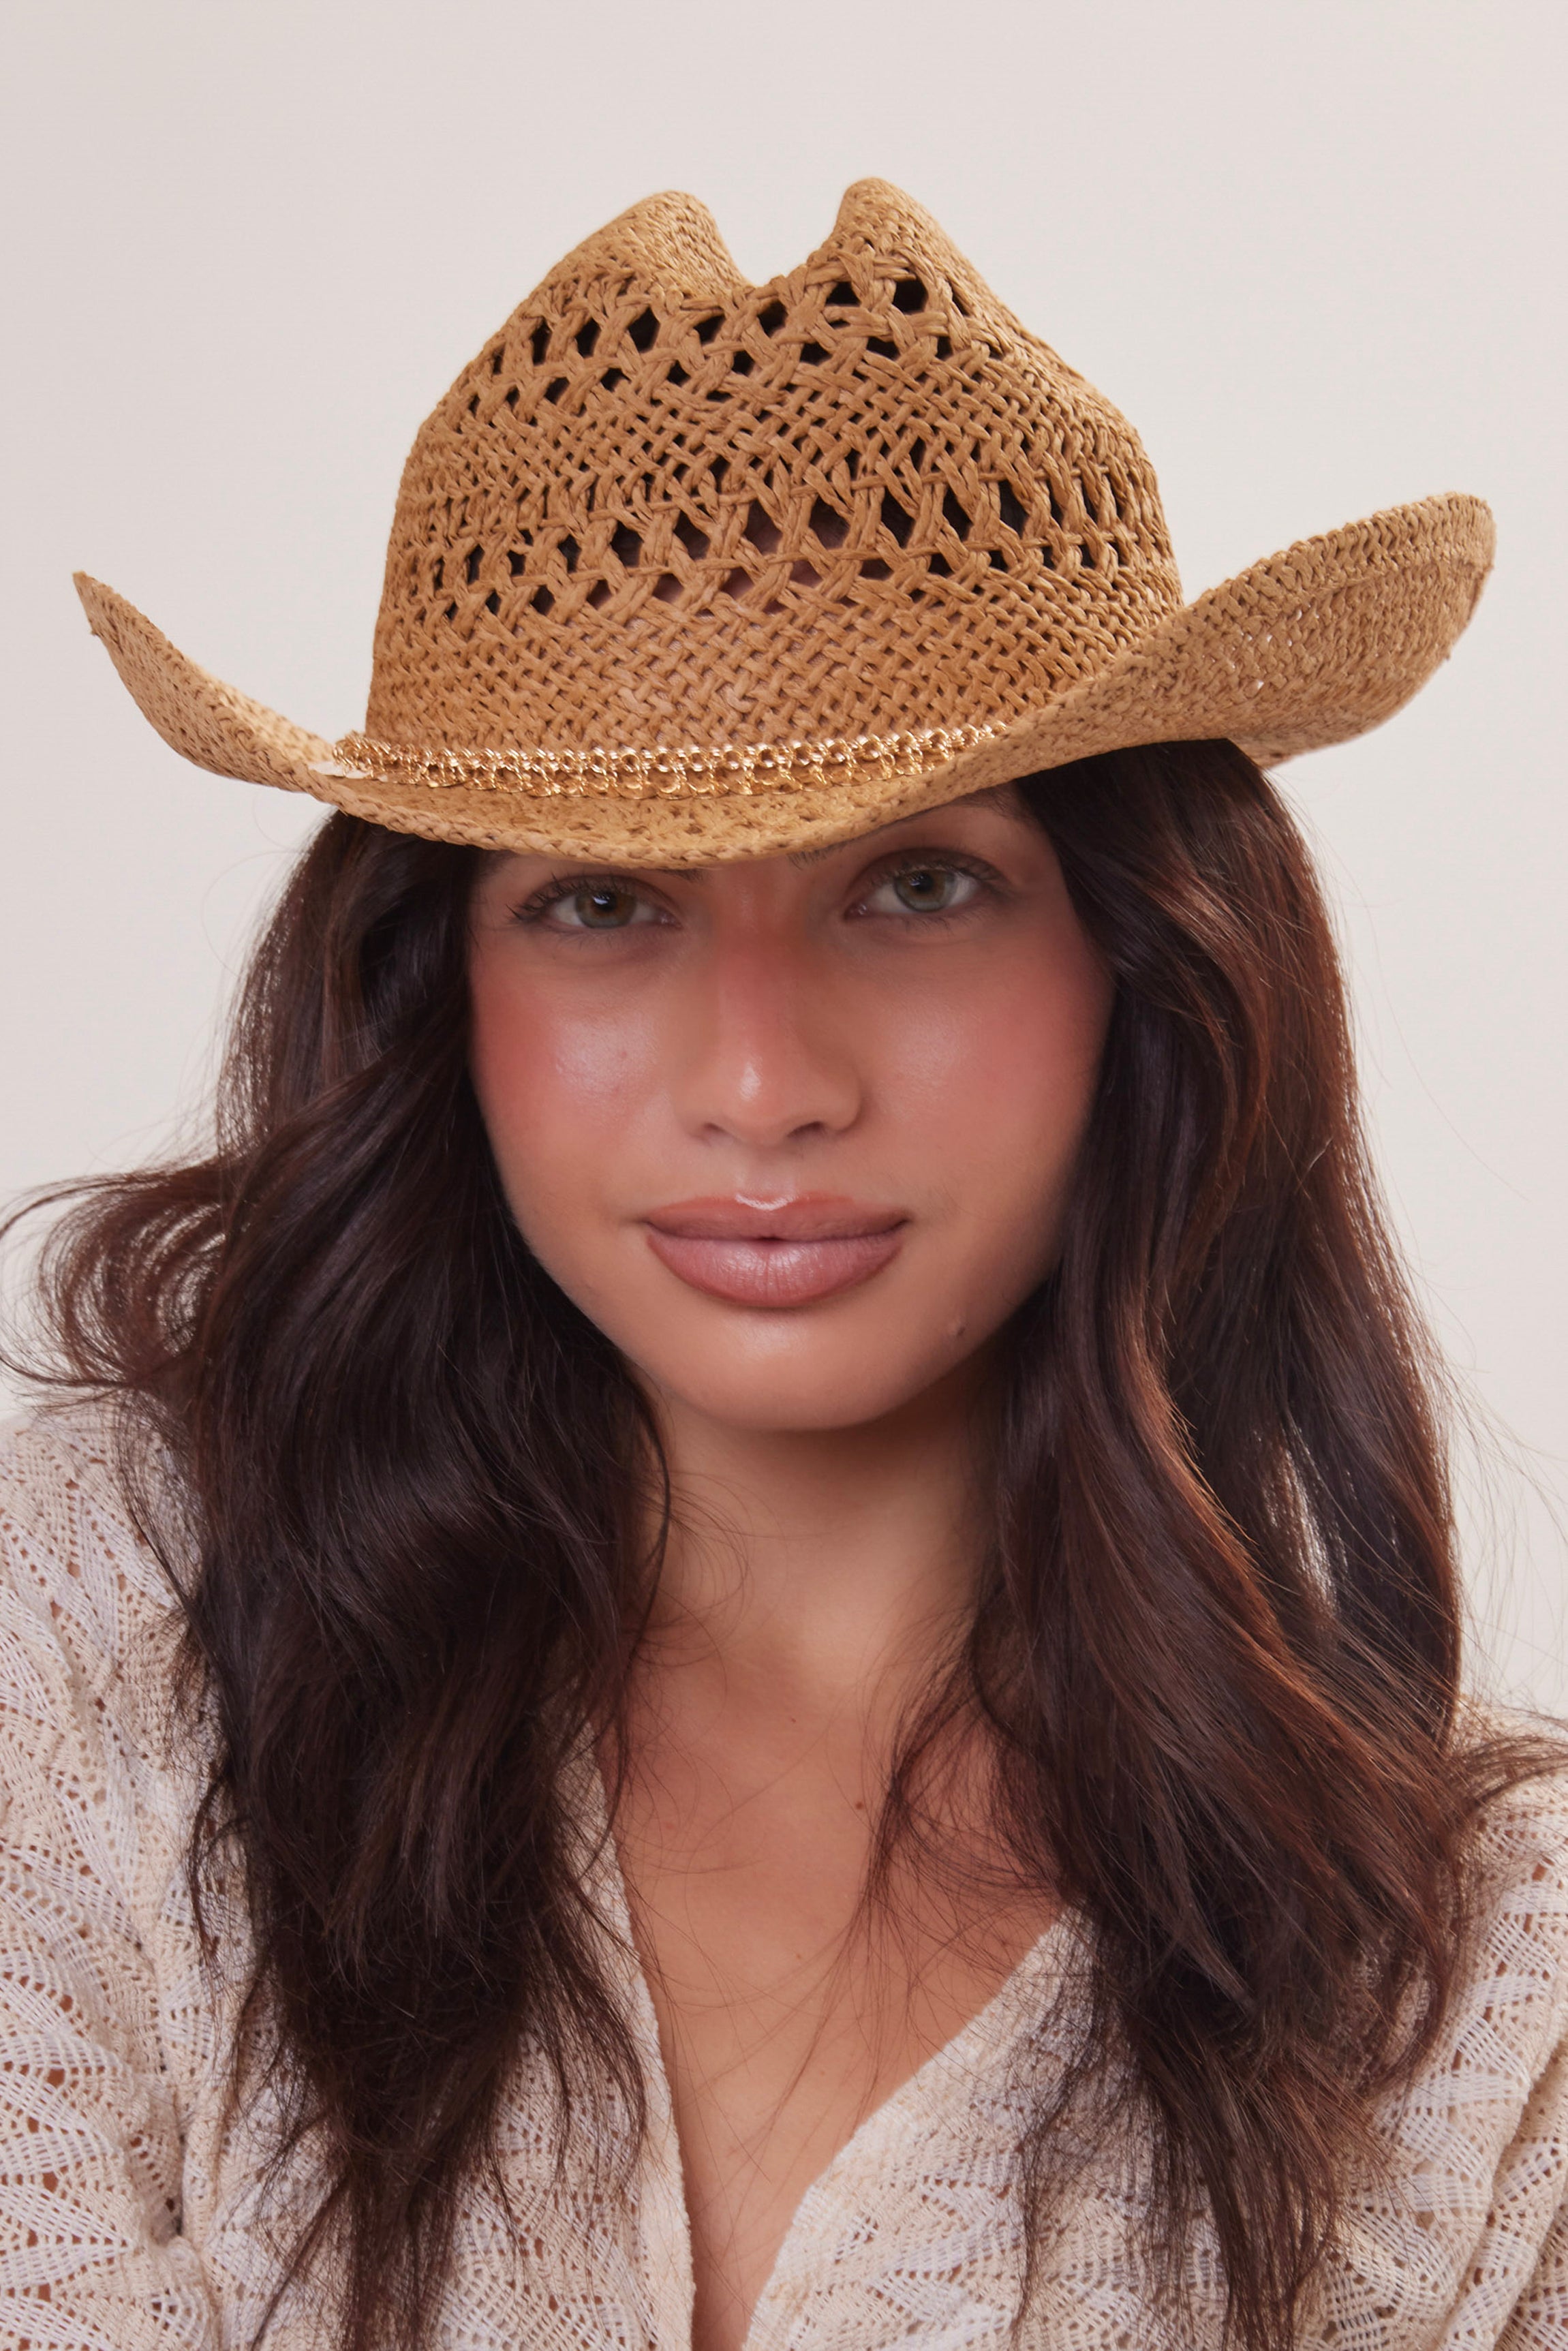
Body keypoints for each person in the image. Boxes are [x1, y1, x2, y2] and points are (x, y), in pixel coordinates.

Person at [1, 180, 1564, 2351]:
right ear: (431, 981)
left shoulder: (1497, 1999)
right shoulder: (79, 1670)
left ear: (1151, 960)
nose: (762, 1078)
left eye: (919, 884)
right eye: (603, 900)